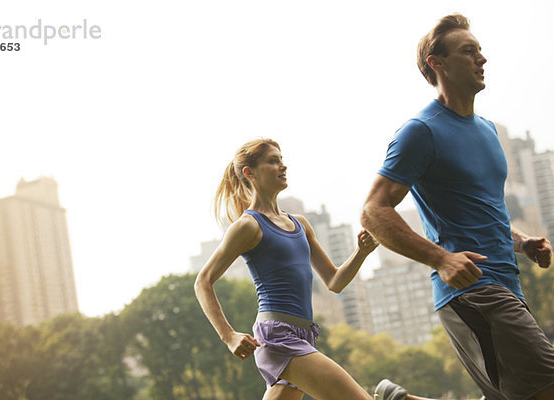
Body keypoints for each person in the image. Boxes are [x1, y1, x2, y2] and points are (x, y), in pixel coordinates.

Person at [361, 14, 554, 400]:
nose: (482, 59)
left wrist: (520, 243)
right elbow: (373, 211)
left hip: (508, 284)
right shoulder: (421, 131)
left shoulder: (487, 129)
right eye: (469, 52)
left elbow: (481, 206)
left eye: (480, 51)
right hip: (474, 291)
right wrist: (440, 259)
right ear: (438, 63)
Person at [194, 138, 382, 400]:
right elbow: (202, 282)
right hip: (278, 336)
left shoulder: (300, 224)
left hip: (304, 335)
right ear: (250, 173)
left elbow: (335, 281)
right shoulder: (248, 226)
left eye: (281, 160)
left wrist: (361, 252)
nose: (283, 166)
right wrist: (229, 336)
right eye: (273, 161)